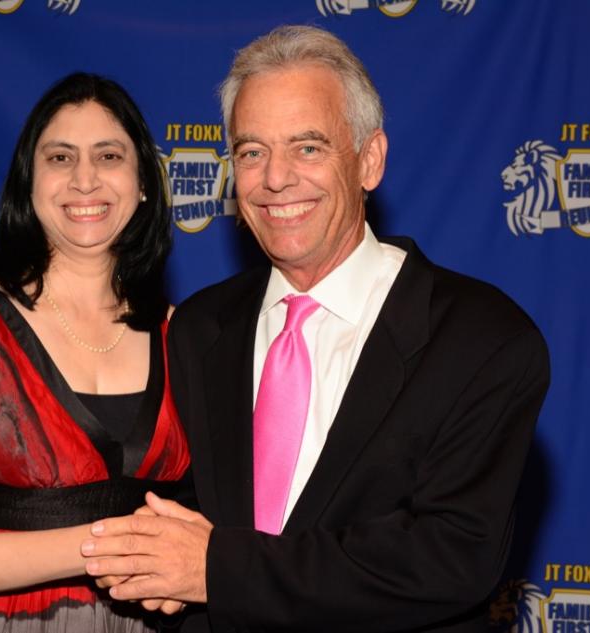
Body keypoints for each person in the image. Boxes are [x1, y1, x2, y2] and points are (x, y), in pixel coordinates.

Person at [80, 25, 551, 633]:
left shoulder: (483, 340)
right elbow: (179, 521)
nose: (275, 178)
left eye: (307, 148)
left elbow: (450, 557)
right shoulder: (198, 328)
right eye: (252, 152)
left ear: (369, 160)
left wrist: (218, 569)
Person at [0, 72, 190, 633]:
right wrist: (113, 545)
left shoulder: (178, 333)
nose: (85, 179)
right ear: (29, 186)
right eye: (60, 158)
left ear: (144, 184)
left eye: (109, 156)